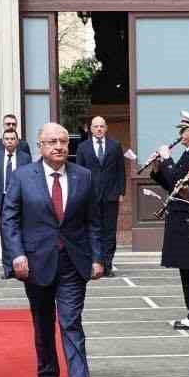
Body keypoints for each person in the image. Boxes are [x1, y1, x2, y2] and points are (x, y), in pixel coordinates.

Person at [2, 122, 105, 377]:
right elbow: (9, 219)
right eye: (52, 142)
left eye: (63, 141)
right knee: (43, 323)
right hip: (35, 264)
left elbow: (94, 222)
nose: (59, 146)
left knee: (71, 321)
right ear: (41, 146)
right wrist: (17, 254)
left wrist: (98, 257)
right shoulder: (23, 177)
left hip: (73, 262)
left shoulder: (83, 176)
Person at [150, 112, 189, 330]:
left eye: (183, 130)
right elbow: (172, 184)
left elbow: (178, 180)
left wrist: (167, 159)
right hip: (180, 216)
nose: (180, 135)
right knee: (185, 267)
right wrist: (158, 167)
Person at [74, 115, 127, 276]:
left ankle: (108, 265)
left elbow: (120, 170)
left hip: (111, 195)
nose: (99, 129)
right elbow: (78, 171)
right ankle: (94, 263)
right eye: (96, 126)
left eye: (101, 126)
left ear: (106, 128)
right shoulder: (83, 147)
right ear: (91, 129)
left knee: (109, 232)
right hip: (90, 196)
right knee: (92, 229)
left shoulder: (115, 145)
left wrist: (121, 192)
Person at [0, 126, 31, 278]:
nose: (10, 141)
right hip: (2, 200)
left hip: (21, 200)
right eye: (7, 139)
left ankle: (23, 267)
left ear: (17, 141)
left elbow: (30, 179)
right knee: (5, 234)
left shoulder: (25, 157)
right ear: (3, 141)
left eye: (12, 139)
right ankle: (8, 269)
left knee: (21, 232)